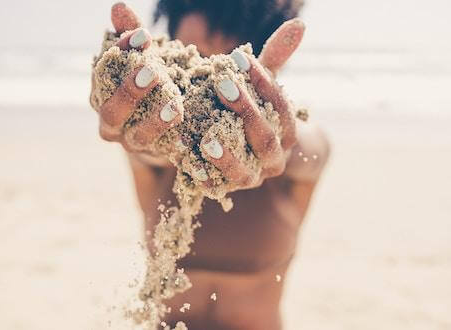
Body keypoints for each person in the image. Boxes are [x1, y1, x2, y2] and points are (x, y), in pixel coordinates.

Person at [92, 1, 330, 329]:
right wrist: (140, 130)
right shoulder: (157, 153)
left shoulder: (293, 155)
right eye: (196, 59)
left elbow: (311, 153)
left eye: (226, 65)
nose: (206, 80)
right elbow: (143, 151)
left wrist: (279, 141)